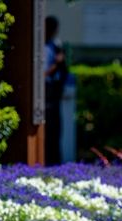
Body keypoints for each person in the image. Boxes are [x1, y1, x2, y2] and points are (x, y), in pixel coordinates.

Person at [45, 15, 67, 166]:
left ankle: (55, 162)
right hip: (45, 91)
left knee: (54, 131)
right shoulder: (42, 47)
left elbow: (62, 67)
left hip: (53, 93)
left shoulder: (55, 46)